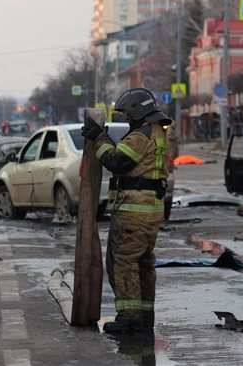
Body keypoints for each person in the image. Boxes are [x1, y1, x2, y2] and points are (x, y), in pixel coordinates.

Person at [82, 87, 170, 333]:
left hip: (134, 212)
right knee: (143, 263)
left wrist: (99, 137)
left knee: (123, 262)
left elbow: (116, 162)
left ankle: (130, 318)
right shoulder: (158, 133)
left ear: (137, 110)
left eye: (127, 114)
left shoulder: (139, 136)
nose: (126, 118)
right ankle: (144, 316)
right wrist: (105, 138)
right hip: (151, 210)